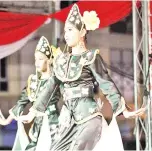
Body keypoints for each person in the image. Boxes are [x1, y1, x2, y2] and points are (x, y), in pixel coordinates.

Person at [20, 4, 145, 151]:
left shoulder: (91, 57)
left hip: (89, 118)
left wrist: (122, 108)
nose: (66, 34)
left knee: (77, 148)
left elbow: (106, 83)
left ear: (82, 32)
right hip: (67, 121)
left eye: (70, 30)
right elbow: (49, 87)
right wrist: (33, 111)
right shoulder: (61, 61)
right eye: (65, 30)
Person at [0, 36, 60, 151]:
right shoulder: (33, 81)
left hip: (53, 124)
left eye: (41, 59)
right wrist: (8, 119)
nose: (37, 63)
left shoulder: (56, 80)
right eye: (35, 59)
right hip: (36, 125)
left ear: (48, 60)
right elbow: (22, 101)